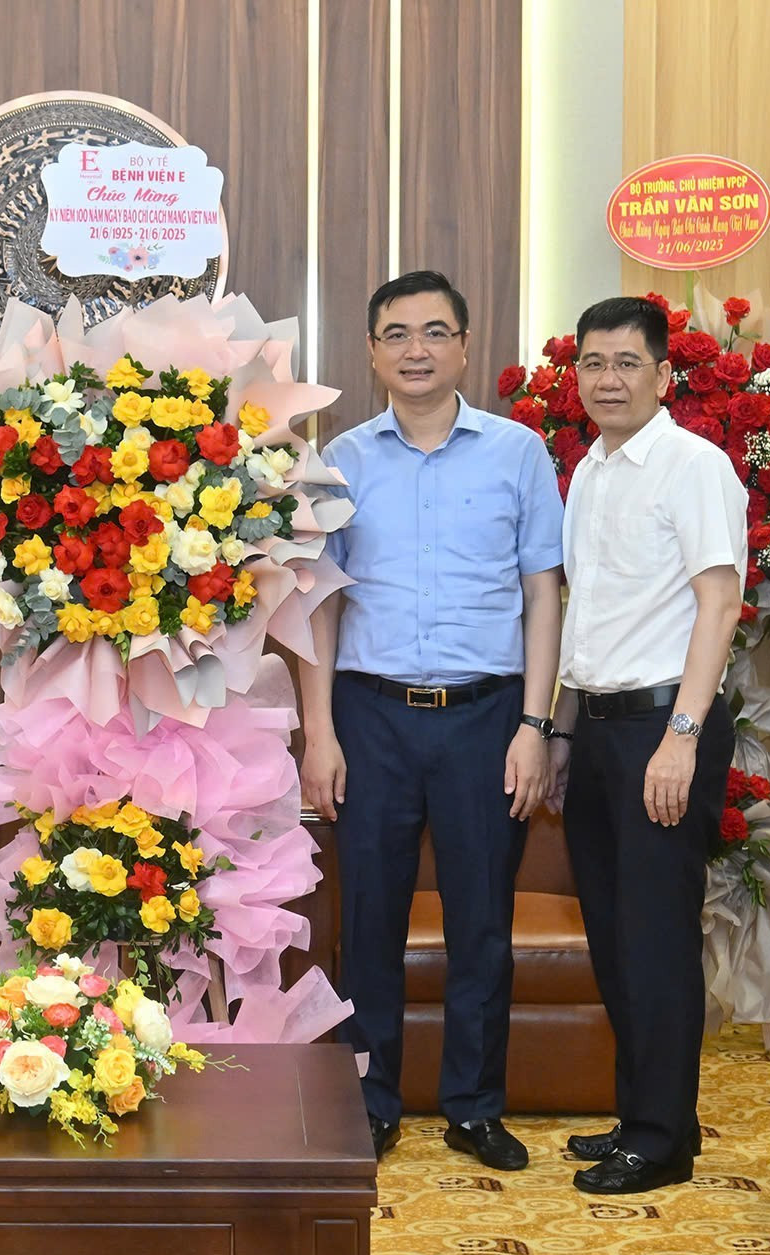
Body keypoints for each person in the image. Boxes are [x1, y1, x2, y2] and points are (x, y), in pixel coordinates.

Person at [302, 270, 564, 1170]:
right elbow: (317, 605)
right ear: (372, 351)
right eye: (398, 334)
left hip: (486, 718)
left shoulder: (518, 453)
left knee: (480, 920)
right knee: (368, 916)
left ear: (464, 345)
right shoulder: (337, 460)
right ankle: (369, 1100)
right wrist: (320, 732)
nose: (417, 350)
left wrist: (537, 723)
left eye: (435, 332)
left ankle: (474, 1107)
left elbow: (542, 590)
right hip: (369, 715)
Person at [548, 296, 745, 1194]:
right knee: (616, 936)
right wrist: (559, 726)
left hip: (665, 730)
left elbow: (719, 601)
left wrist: (683, 738)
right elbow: (587, 614)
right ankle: (643, 1117)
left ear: (664, 375)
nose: (608, 379)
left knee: (658, 939)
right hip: (598, 725)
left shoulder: (692, 465)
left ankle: (662, 1140)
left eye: (628, 362)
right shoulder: (590, 470)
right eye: (594, 362)